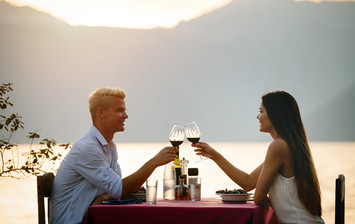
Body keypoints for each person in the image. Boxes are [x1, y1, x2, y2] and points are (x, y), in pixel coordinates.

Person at [193, 91, 324, 223]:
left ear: (275, 114)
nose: (257, 116)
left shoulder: (278, 146)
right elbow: (248, 182)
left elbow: (258, 198)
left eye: (261, 111)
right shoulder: (290, 145)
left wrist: (272, 203)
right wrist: (215, 156)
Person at [50, 87, 177, 224]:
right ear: (101, 113)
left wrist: (104, 196)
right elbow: (120, 189)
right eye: (120, 110)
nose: (126, 115)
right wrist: (154, 162)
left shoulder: (109, 146)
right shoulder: (87, 147)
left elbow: (115, 191)